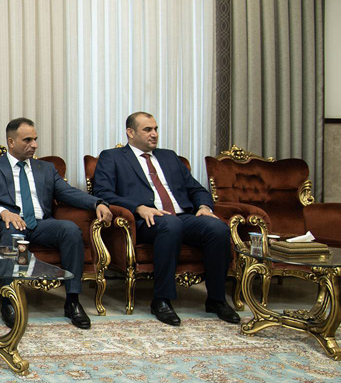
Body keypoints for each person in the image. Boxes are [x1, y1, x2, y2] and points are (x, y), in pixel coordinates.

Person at [92, 111, 240, 326]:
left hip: (183, 216)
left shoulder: (169, 157)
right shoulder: (112, 157)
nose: (154, 134)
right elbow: (103, 193)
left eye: (156, 129)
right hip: (147, 221)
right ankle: (162, 300)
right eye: (147, 130)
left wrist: (204, 207)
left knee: (217, 228)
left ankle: (217, 300)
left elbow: (196, 189)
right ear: (130, 132)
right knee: (170, 225)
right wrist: (138, 208)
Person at [0, 118, 113, 329]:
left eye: (35, 139)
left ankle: (72, 301)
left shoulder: (46, 168)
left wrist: (97, 203)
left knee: (70, 230)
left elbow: (67, 192)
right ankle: (9, 301)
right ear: (11, 142)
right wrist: (4, 213)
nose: (35, 145)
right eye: (27, 140)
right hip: (12, 223)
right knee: (11, 235)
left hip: (42, 224)